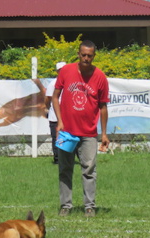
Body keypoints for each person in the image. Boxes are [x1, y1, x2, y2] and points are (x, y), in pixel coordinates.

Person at [52, 40, 110, 218]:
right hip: (67, 132)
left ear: (94, 56)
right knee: (64, 169)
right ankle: (66, 206)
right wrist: (59, 121)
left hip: (88, 133)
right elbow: (55, 97)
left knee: (89, 170)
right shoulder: (66, 71)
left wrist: (104, 133)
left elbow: (103, 107)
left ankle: (89, 207)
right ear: (78, 54)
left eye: (89, 56)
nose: (86, 58)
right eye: (83, 55)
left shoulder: (100, 77)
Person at [45, 61, 66, 164]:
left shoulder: (70, 82)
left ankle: (66, 158)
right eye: (61, 70)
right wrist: (47, 109)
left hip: (67, 116)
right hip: (54, 116)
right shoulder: (53, 84)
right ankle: (57, 159)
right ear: (58, 71)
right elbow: (48, 98)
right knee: (56, 137)